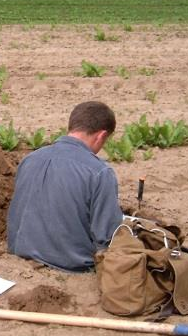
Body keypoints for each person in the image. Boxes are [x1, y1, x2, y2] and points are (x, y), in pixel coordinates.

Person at [7, 101, 123, 272]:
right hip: (71, 265)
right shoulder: (99, 172)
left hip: (20, 254)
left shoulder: (29, 159)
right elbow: (107, 236)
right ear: (101, 136)